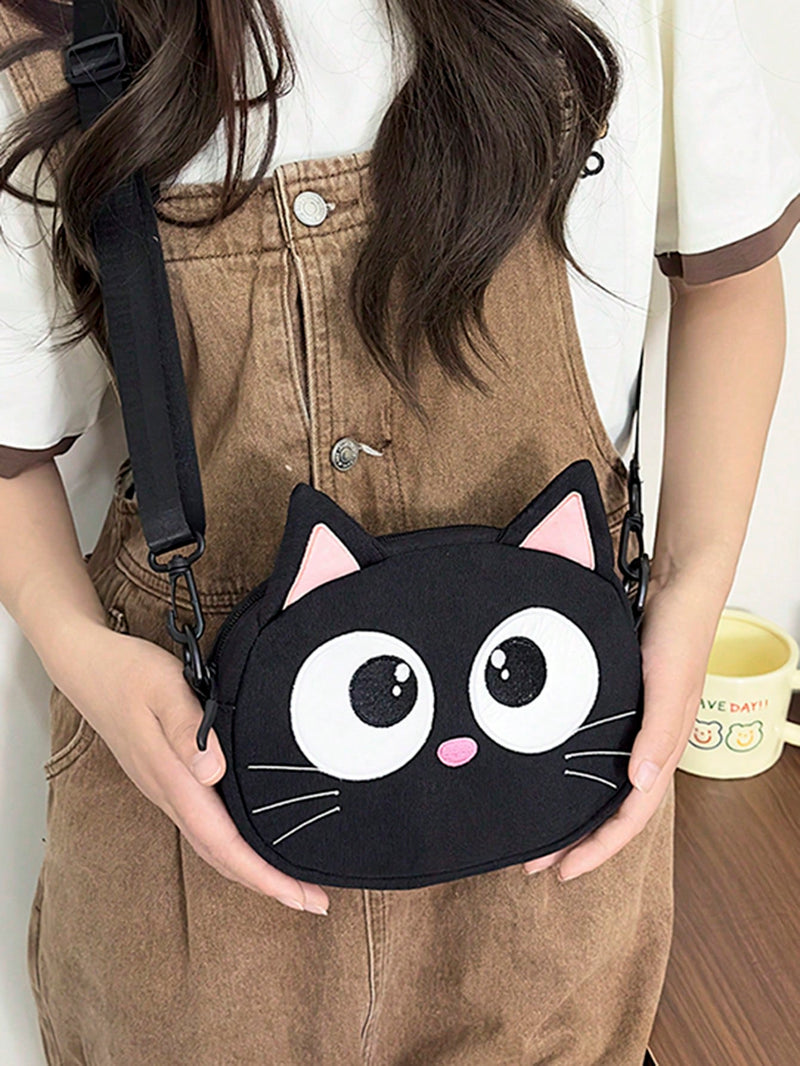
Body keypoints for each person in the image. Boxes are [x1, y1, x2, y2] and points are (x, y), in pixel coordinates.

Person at [1, 1, 798, 1063]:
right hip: (196, 838)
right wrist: (83, 656)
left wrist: (689, 601)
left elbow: (727, 277)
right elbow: (11, 455)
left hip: (548, 810)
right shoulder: (53, 34)